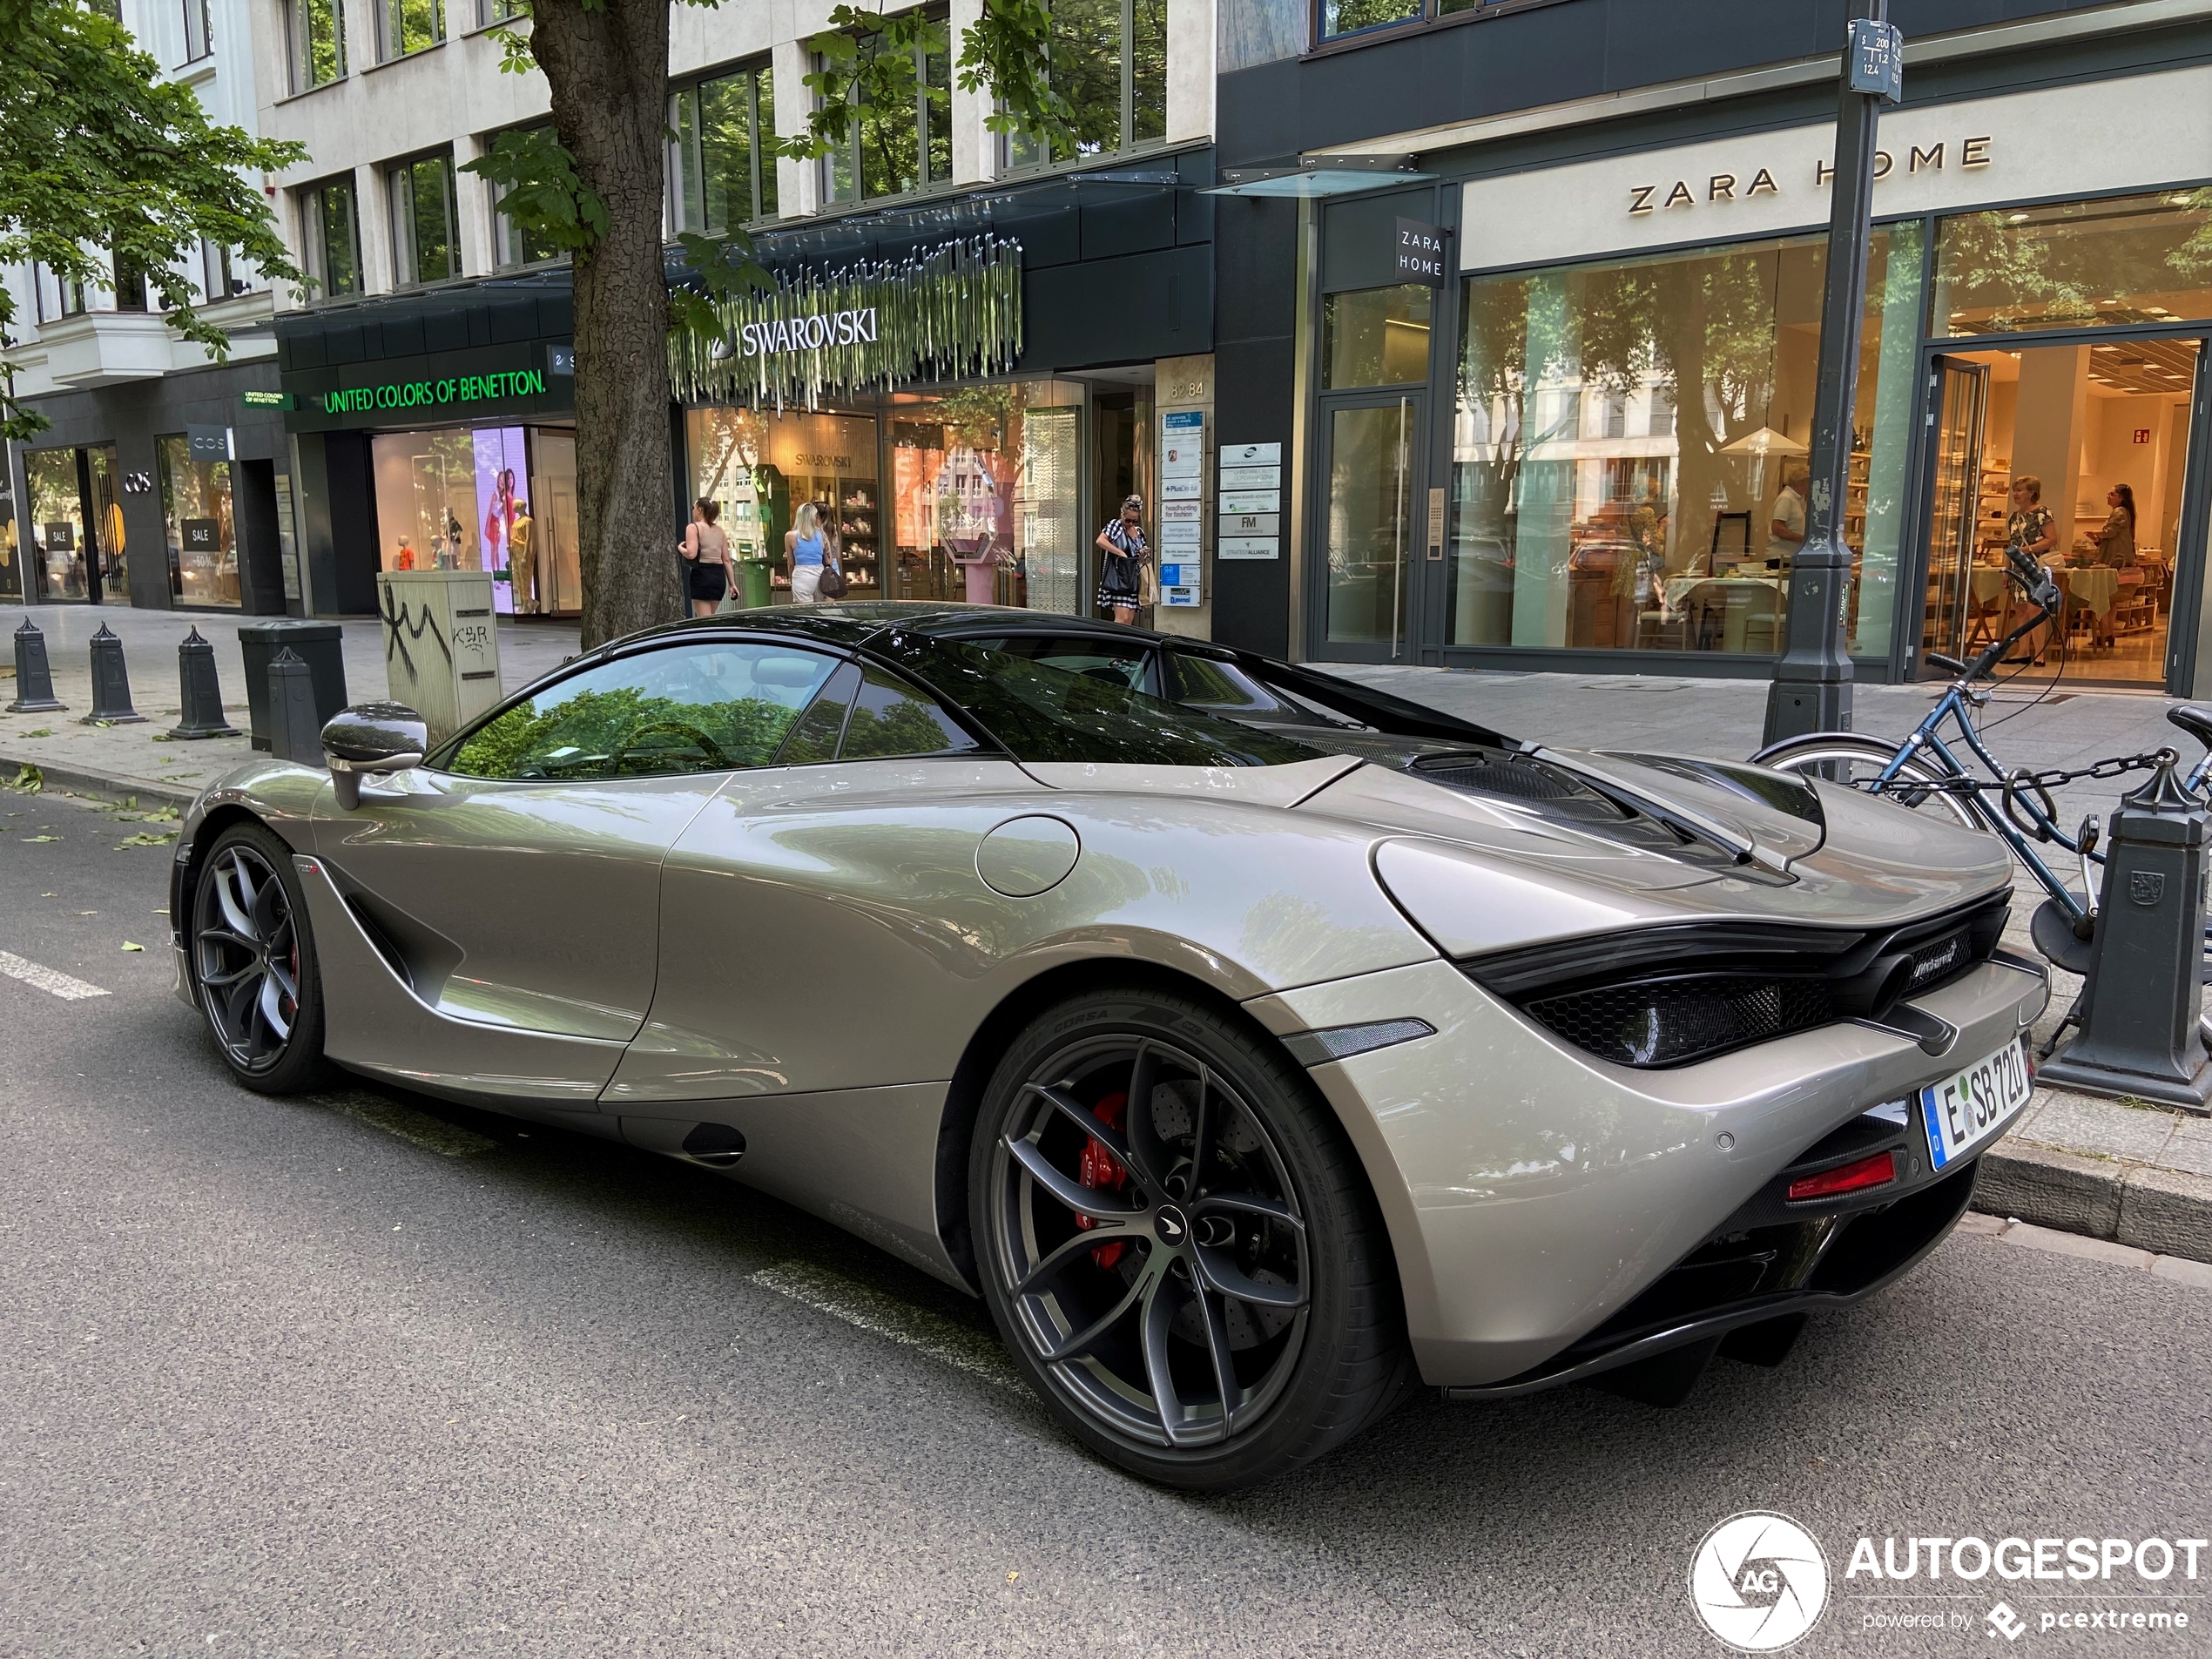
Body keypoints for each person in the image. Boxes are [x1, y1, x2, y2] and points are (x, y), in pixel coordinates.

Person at [2003, 474, 2060, 665]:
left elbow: (2051, 539)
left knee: (2035, 609)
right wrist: (2006, 569)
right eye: (2015, 490)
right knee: (2020, 610)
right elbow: (2010, 544)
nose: (2015, 494)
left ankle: (2039, 653)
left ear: (2032, 493)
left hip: (2036, 566)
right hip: (2018, 568)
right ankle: (2023, 650)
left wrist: (2026, 550)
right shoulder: (2013, 518)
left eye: (2020, 490)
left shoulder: (2042, 512)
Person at [1095, 494, 1149, 625]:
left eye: (1134, 521)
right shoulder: (1116, 526)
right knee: (1122, 619)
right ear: (1122, 514)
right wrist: (1120, 553)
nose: (1130, 524)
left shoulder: (1139, 532)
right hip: (1120, 579)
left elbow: (1139, 558)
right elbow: (1100, 541)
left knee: (1129, 621)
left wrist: (1143, 554)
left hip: (1133, 579)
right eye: (1128, 520)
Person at [678, 498, 729, 617]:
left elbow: (691, 553)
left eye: (693, 508)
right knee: (711, 617)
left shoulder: (693, 527)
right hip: (719, 577)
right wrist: (732, 585)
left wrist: (680, 548)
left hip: (702, 576)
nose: (693, 511)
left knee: (704, 621)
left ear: (700, 510)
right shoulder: (720, 531)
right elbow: (726, 560)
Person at [785, 500, 836, 604]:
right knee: (820, 613)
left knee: (805, 615)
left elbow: (791, 563)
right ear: (815, 517)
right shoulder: (822, 535)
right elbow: (828, 561)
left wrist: (792, 580)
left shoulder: (790, 536)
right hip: (819, 577)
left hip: (801, 576)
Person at [1769, 464, 1810, 564]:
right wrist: (1803, 539)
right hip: (1780, 557)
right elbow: (1777, 529)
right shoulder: (1786, 499)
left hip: (1789, 556)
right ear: (1801, 481)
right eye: (1809, 481)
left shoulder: (1798, 500)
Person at [508, 498, 536, 614]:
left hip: (523, 551)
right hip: (515, 552)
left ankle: (527, 603)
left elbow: (529, 538)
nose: (512, 506)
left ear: (520, 506)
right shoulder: (516, 521)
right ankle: (523, 603)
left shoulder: (528, 521)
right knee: (518, 578)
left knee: (525, 578)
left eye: (514, 504)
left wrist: (526, 555)